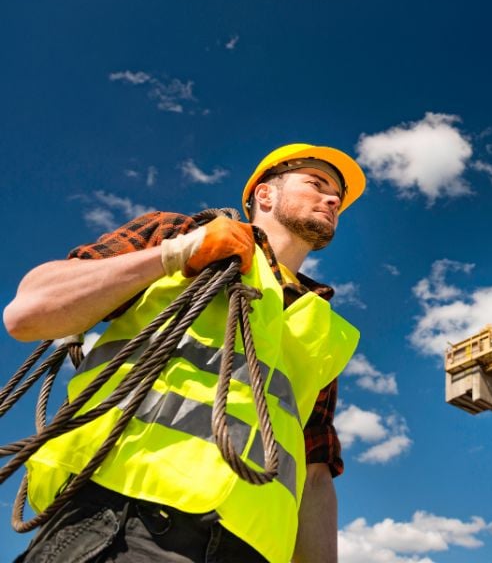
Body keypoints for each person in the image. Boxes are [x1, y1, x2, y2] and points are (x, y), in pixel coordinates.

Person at [3, 143, 367, 563]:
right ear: (265, 194)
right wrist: (176, 254)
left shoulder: (319, 325)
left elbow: (315, 475)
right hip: (118, 520)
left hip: (251, 550)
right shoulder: (181, 235)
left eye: (337, 195)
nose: (333, 199)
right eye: (316, 183)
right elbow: (29, 312)